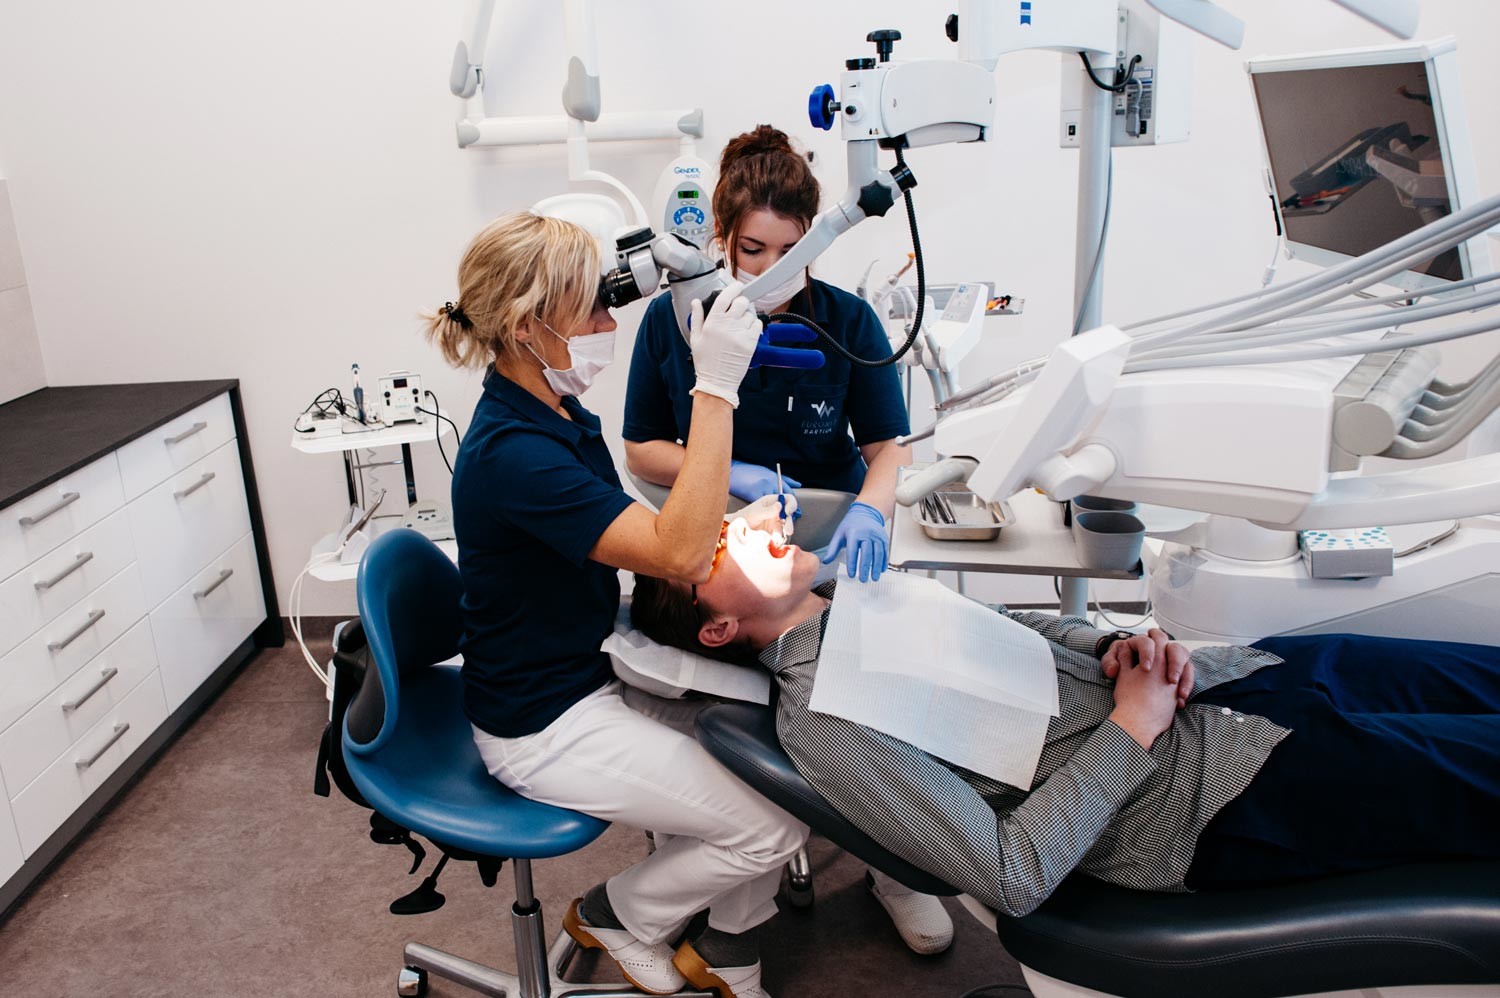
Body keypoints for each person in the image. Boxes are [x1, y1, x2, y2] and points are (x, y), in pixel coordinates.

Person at [630, 511, 1500, 917]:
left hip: (1245, 680)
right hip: (1220, 795)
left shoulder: (867, 592)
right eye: (718, 547)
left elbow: (1018, 629)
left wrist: (1111, 648)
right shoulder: (825, 721)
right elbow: (1012, 873)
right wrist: (1132, 726)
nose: (748, 523)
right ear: (718, 628)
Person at [430, 212, 807, 998]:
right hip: (542, 723)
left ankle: (723, 943)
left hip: (589, 665)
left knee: (775, 760)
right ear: (528, 327)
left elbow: (646, 536)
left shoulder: (553, 412)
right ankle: (618, 913)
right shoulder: (515, 456)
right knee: (774, 823)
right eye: (592, 311)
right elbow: (677, 551)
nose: (608, 326)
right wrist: (715, 387)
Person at [624, 125, 912, 585]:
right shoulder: (672, 319)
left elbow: (890, 450)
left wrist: (869, 512)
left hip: (828, 538)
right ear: (722, 236)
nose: (772, 268)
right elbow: (641, 451)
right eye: (753, 250)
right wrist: (730, 473)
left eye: (792, 251)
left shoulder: (848, 321)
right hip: (720, 543)